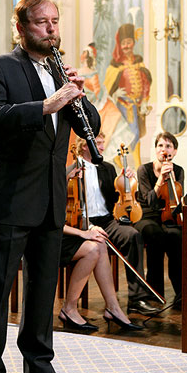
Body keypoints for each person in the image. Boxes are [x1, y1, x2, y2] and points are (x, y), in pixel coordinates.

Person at [0, 0, 101, 373]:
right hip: (10, 200)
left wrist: (78, 96)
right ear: (22, 28)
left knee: (42, 291)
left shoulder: (60, 70)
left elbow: (90, 127)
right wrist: (46, 105)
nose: (52, 29)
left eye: (56, 22)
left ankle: (39, 368)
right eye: (42, 23)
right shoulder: (0, 67)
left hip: (49, 198)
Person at [68, 133, 160, 316]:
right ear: (85, 146)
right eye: (98, 143)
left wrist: (126, 180)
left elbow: (115, 197)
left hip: (107, 220)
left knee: (132, 235)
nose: (102, 147)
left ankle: (136, 299)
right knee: (98, 243)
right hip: (84, 222)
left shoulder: (107, 168)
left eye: (103, 143)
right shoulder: (71, 170)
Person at [59, 223, 143, 332]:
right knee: (92, 250)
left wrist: (90, 227)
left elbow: (79, 215)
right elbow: (54, 221)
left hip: (68, 234)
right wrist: (83, 233)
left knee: (101, 243)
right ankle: (69, 309)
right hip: (51, 236)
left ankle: (113, 308)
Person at [135, 132, 183, 304]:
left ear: (175, 151)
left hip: (167, 215)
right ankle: (155, 292)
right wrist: (160, 178)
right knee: (155, 234)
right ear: (155, 149)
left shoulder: (178, 170)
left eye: (168, 146)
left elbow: (175, 198)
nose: (164, 149)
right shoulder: (144, 170)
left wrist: (171, 178)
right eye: (161, 145)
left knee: (176, 236)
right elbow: (149, 200)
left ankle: (181, 293)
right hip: (146, 215)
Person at [104, 23, 152, 169]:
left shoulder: (139, 62)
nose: (126, 46)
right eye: (123, 43)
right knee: (126, 134)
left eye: (128, 42)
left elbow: (145, 83)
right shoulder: (116, 64)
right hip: (123, 105)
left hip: (136, 105)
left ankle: (136, 163)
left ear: (133, 42)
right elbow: (109, 85)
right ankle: (120, 161)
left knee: (136, 134)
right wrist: (115, 93)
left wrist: (144, 101)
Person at [78, 43, 132, 162]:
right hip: (90, 103)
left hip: (87, 102)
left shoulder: (81, 72)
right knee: (112, 113)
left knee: (113, 112)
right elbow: (97, 92)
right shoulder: (90, 73)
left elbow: (97, 92)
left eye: (84, 54)